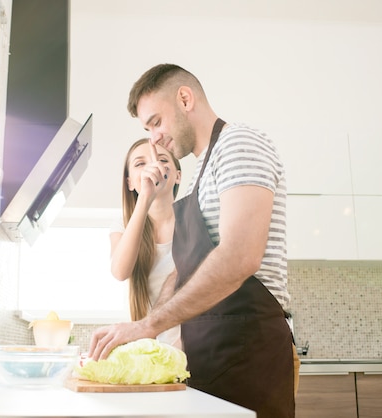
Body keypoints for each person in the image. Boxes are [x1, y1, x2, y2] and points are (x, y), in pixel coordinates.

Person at [89, 64, 298, 418]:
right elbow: (187, 271)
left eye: (156, 122)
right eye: (147, 128)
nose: (153, 138)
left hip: (249, 350)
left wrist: (147, 325)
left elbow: (239, 256)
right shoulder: (201, 169)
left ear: (185, 98)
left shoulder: (238, 142)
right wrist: (143, 333)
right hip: (209, 357)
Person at [109, 138, 182, 349]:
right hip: (143, 347)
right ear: (130, 182)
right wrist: (145, 197)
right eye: (141, 164)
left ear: (177, 176)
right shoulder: (122, 225)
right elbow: (120, 272)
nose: (153, 167)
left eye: (161, 159)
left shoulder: (192, 221)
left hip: (187, 349)